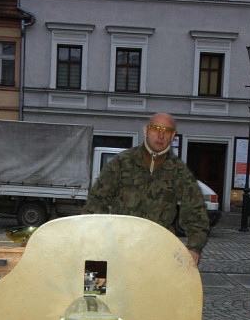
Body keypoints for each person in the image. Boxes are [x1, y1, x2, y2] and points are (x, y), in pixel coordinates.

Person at [85, 112, 210, 264]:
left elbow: (196, 212)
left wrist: (194, 248)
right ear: (146, 131)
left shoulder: (179, 171)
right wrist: (100, 239)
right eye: (156, 129)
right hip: (119, 246)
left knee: (159, 287)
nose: (161, 135)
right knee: (95, 280)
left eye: (167, 131)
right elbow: (96, 201)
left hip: (158, 252)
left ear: (173, 136)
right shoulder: (122, 162)